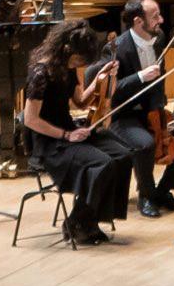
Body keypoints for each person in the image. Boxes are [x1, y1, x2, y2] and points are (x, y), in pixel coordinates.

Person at [19, 18, 134, 246]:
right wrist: (66, 136)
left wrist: (102, 77)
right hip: (50, 143)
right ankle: (78, 223)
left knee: (122, 155)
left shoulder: (67, 67)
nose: (80, 64)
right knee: (102, 163)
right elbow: (31, 119)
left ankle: (90, 218)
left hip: (70, 132)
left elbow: (81, 102)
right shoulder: (40, 74)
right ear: (66, 49)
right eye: (79, 59)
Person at [106, 0, 174, 217]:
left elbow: (159, 82)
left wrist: (159, 116)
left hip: (151, 112)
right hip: (123, 116)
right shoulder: (115, 49)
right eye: (155, 16)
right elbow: (110, 91)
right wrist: (139, 77)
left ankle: (164, 191)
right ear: (138, 22)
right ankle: (146, 196)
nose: (161, 20)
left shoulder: (159, 39)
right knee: (145, 144)